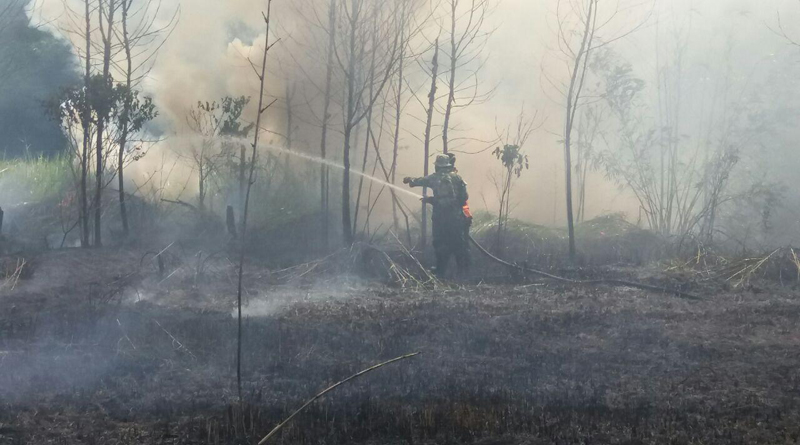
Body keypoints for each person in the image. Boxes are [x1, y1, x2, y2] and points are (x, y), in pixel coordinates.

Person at [403, 154, 472, 276]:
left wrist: (410, 180)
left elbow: (419, 181)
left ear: (438, 166)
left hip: (440, 219)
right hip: (456, 219)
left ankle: (440, 270)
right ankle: (463, 272)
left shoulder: (434, 178)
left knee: (440, 243)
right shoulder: (457, 178)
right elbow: (464, 198)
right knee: (459, 244)